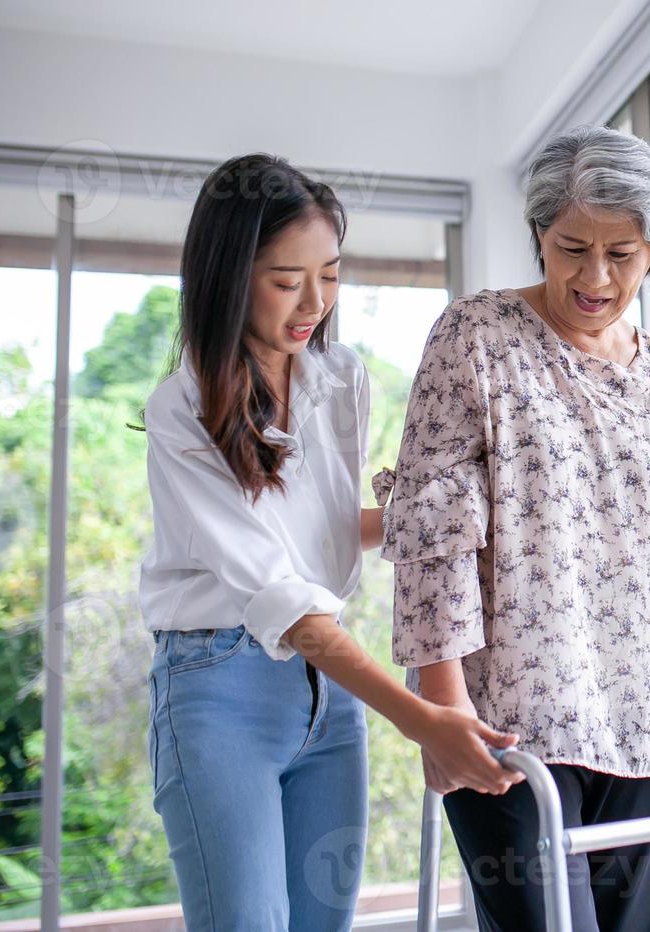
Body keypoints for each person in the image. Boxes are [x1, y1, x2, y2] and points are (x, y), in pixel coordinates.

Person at [372, 125, 650, 932]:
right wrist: (447, 715)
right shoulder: (476, 339)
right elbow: (432, 537)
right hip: (515, 725)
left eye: (622, 255)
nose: (594, 276)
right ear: (537, 237)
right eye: (571, 248)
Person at [139, 153, 524, 931]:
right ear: (226, 276)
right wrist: (420, 717)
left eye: (332, 275)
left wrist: (450, 516)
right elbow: (278, 596)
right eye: (286, 281)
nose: (313, 302)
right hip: (218, 689)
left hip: (328, 696)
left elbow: (318, 532)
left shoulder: (340, 377)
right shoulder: (180, 410)